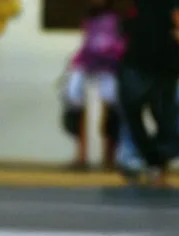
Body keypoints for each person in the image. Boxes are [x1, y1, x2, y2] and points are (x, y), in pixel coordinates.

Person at [116, 0, 179, 187]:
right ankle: (155, 163)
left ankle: (150, 160)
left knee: (137, 112)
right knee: (161, 115)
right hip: (156, 58)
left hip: (147, 58)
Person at [64, 0, 125, 169]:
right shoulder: (89, 18)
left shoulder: (116, 19)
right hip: (88, 64)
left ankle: (109, 157)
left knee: (112, 110)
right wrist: (77, 61)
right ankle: (82, 155)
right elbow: (87, 43)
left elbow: (118, 44)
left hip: (109, 67)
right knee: (76, 101)